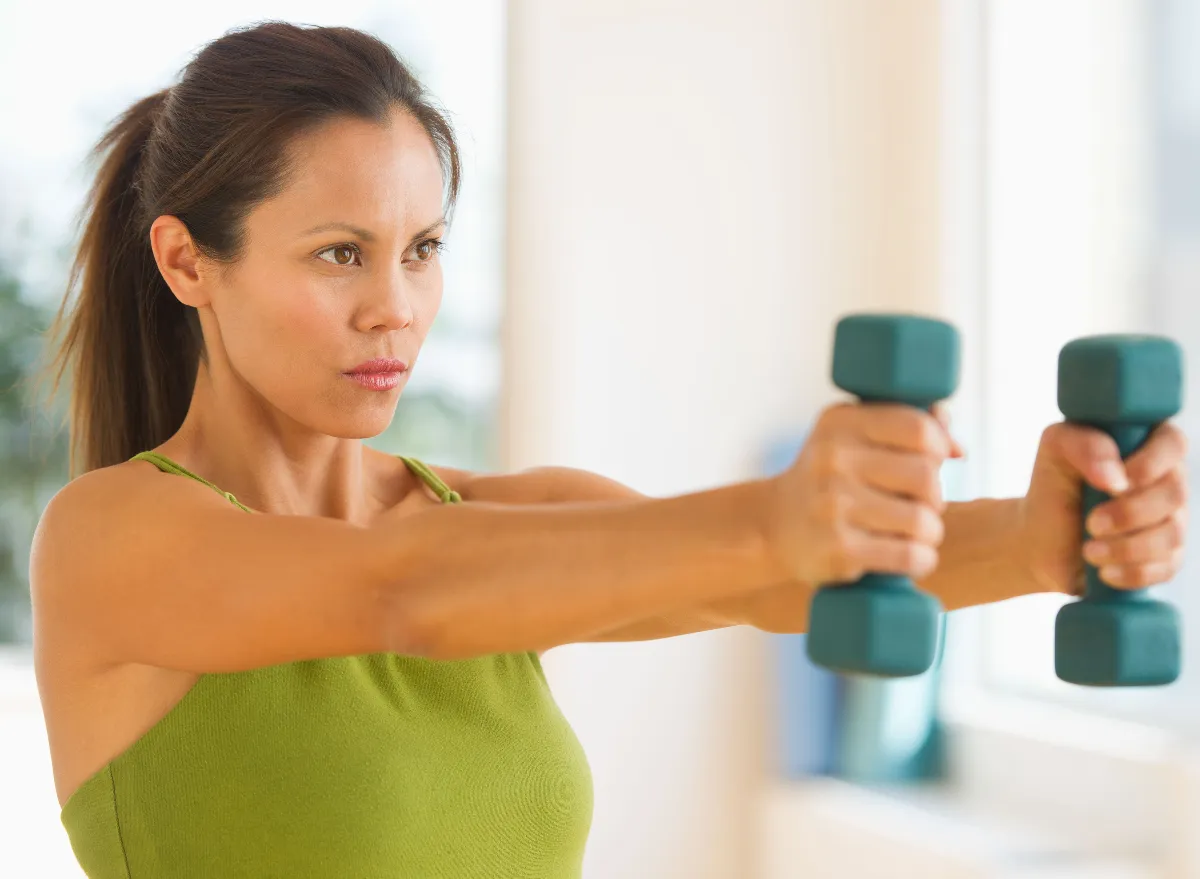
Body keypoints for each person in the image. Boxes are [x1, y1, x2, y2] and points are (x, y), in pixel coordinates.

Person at [28, 19, 1187, 879]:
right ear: (188, 263)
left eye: (423, 247)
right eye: (340, 254)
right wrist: (779, 511)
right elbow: (402, 598)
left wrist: (1043, 542)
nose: (397, 306)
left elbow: (777, 577)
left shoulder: (489, 517)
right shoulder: (112, 539)